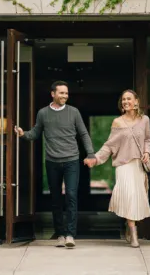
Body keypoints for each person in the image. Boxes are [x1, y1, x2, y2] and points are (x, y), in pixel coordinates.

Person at [15, 81, 96, 249]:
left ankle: (70, 235)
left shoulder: (73, 112)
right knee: (56, 199)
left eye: (66, 93)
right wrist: (23, 134)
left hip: (72, 160)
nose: (65, 96)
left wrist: (90, 154)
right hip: (52, 161)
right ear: (53, 94)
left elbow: (84, 134)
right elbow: (36, 133)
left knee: (71, 196)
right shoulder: (43, 113)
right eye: (61, 93)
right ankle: (60, 234)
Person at [84, 89, 150, 248]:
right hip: (123, 166)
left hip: (138, 166)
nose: (126, 102)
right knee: (129, 196)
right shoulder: (118, 122)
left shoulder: (145, 120)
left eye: (129, 99)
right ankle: (133, 234)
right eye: (123, 99)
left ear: (136, 101)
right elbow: (110, 145)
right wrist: (96, 158)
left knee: (137, 198)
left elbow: (147, 140)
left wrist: (147, 152)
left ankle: (130, 228)